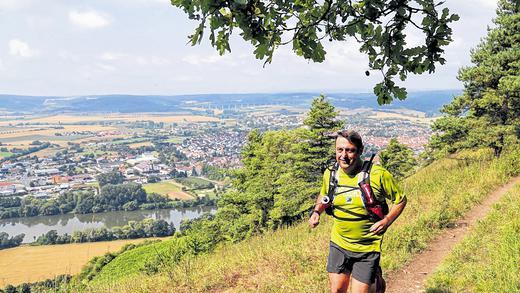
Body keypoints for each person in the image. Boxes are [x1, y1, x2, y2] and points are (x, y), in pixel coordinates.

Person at [309, 130, 407, 293]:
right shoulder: (331, 174)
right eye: (340, 150)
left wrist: (387, 221)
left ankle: (376, 280)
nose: (344, 155)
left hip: (367, 247)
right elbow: (325, 195)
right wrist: (317, 211)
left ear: (360, 151)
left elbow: (401, 200)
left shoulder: (377, 175)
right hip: (339, 243)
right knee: (337, 290)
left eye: (350, 150)